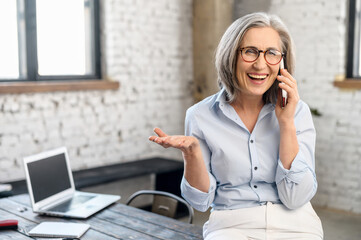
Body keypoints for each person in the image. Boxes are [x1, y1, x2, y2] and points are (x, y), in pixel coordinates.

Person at [149, 12, 323, 240]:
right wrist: (192, 154)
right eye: (250, 51)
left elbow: (296, 198)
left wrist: (286, 122)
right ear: (231, 55)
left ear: (282, 61)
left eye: (271, 53)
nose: (260, 64)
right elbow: (200, 202)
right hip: (231, 225)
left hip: (296, 224)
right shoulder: (200, 116)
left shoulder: (297, 112)